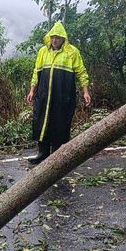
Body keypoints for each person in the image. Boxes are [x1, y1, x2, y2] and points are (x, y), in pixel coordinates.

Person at [26, 22, 91, 164]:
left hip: (63, 95)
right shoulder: (43, 51)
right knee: (41, 121)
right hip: (44, 95)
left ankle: (56, 156)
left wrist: (85, 91)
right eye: (52, 37)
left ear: (63, 39)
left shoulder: (72, 52)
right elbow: (36, 71)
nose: (54, 40)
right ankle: (42, 153)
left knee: (60, 122)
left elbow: (81, 72)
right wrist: (32, 89)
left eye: (57, 38)